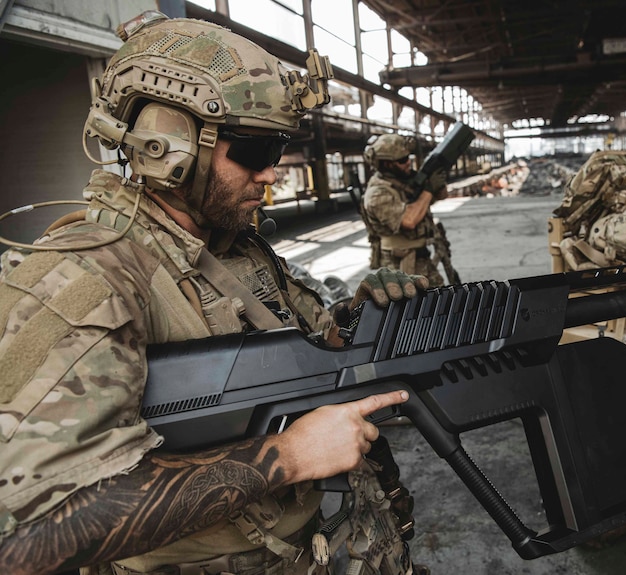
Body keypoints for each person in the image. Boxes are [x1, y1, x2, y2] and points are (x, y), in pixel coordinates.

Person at [0, 11, 428, 575]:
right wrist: (287, 458)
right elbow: (25, 534)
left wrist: (356, 319)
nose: (272, 173)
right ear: (166, 145)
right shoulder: (84, 277)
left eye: (277, 151)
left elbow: (301, 350)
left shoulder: (235, 248)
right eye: (255, 152)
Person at [361, 134, 450, 287]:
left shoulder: (405, 181)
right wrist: (428, 190)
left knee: (440, 301)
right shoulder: (377, 194)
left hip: (422, 257)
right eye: (402, 160)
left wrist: (437, 182)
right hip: (399, 265)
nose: (408, 162)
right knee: (412, 309)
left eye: (409, 157)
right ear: (387, 164)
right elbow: (409, 221)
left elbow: (441, 196)